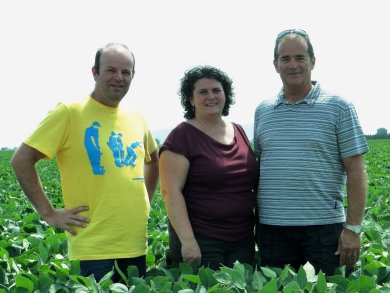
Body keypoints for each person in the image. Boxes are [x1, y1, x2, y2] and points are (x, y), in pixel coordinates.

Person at [11, 43, 159, 282]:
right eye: (111, 70)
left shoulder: (137, 117)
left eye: (126, 72)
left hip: (135, 243)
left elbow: (153, 159)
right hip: (93, 248)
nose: (119, 78)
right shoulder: (69, 112)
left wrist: (146, 199)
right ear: (95, 72)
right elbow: (22, 160)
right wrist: (48, 213)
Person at [254, 29, 369, 276]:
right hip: (273, 231)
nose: (292, 65)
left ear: (312, 61)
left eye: (300, 57)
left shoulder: (338, 106)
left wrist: (353, 229)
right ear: (275, 65)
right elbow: (259, 168)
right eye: (285, 59)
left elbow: (356, 170)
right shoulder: (263, 111)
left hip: (324, 231)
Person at [159, 65, 259, 271]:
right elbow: (171, 192)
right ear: (190, 99)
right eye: (202, 92)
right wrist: (187, 241)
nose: (210, 96)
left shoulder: (239, 130)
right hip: (201, 240)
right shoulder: (182, 136)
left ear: (225, 94)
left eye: (216, 90)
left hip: (242, 239)